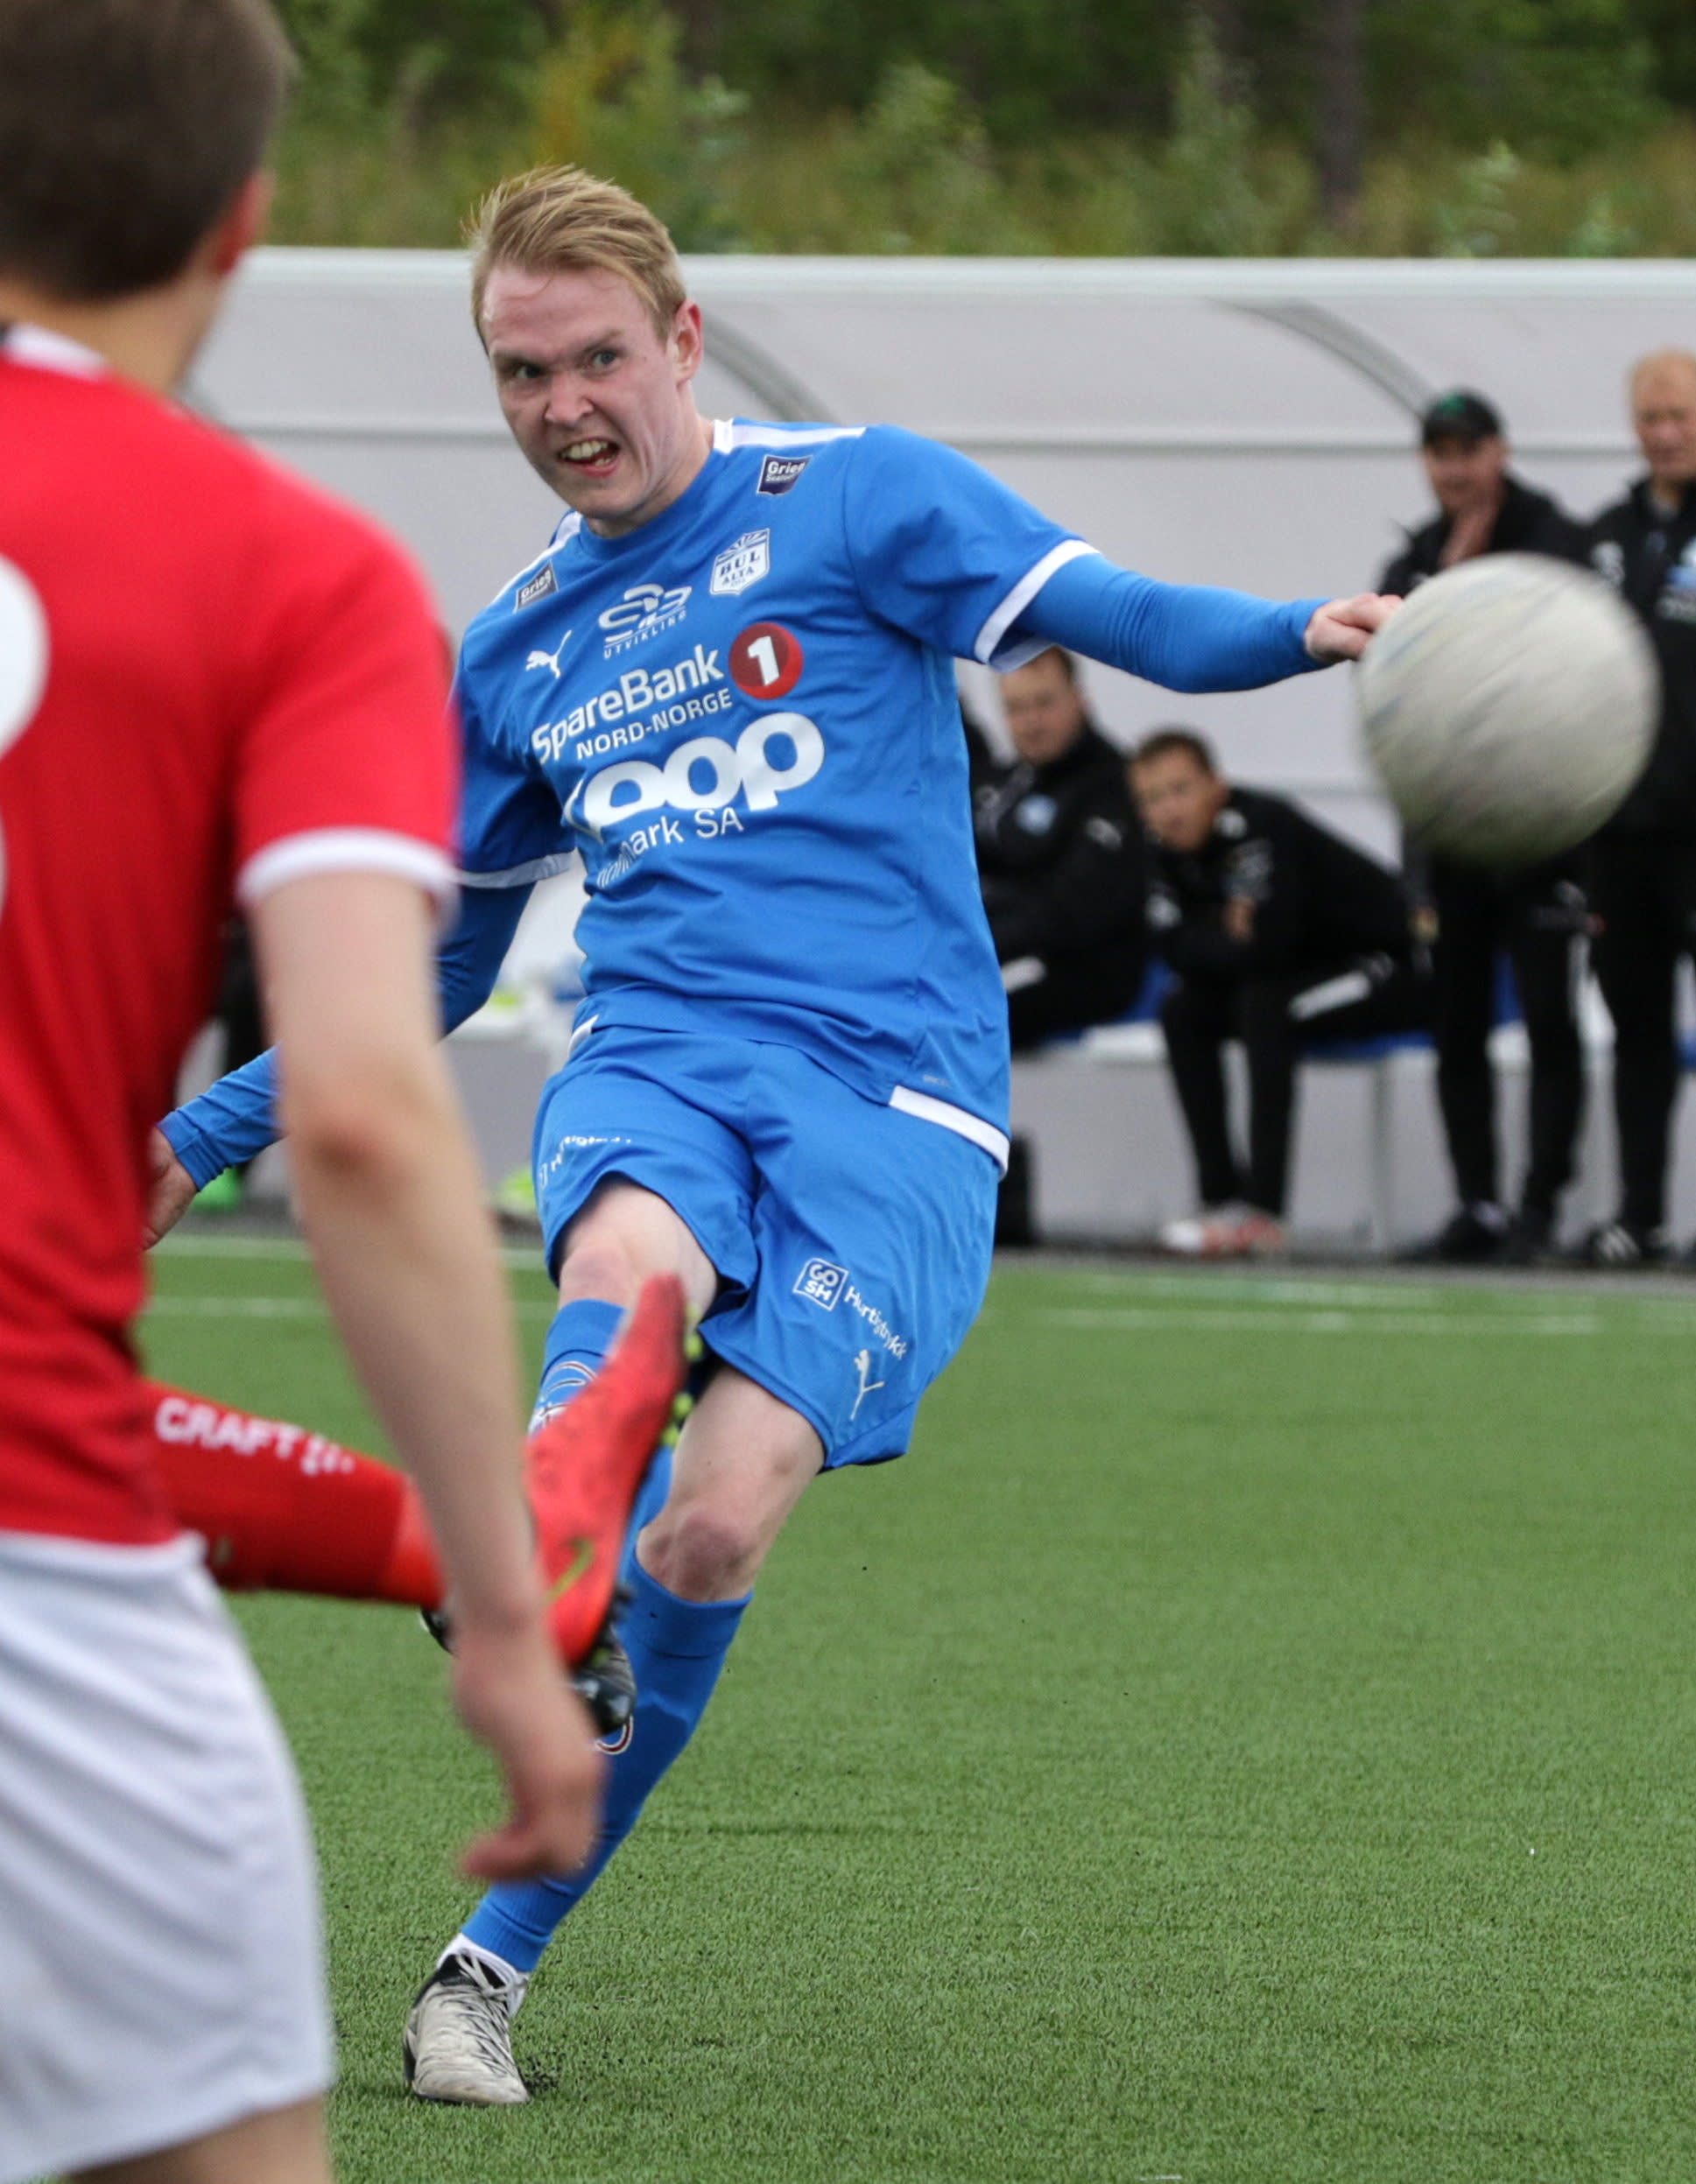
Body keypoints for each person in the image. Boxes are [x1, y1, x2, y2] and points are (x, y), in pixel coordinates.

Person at [144, 164, 1398, 2105]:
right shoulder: (516, 646)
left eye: (595, 358)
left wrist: (1302, 629)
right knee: (630, 1261)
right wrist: (208, 1129)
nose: (563, 404)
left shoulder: (858, 496)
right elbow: (442, 955)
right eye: (519, 372)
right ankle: (533, 1555)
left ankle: (484, 1962)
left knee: (715, 1528)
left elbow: (1117, 611)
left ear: (682, 339)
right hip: (657, 1051)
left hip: (899, 1104)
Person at [0, 16, 650, 2182]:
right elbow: (367, 1111)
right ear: (242, 221)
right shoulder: (290, 572)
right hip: (48, 1607)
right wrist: (505, 1605)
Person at [1380, 390, 1593, 1265]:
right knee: (1456, 1022)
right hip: (1451, 830)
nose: (1454, 469)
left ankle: (1538, 1205)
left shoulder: (1554, 539)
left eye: (1467, 451)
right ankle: (1477, 1203)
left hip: (1543, 830)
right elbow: (1386, 683)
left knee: (1547, 1019)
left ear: (1498, 452)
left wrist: (1461, 592)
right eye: (1440, 453)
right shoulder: (1412, 557)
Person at [1131, 729, 1427, 1257]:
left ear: (1216, 786)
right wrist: (1225, 933)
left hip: (1390, 967)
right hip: (1297, 972)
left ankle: (1264, 1212)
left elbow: (1267, 946)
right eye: (1153, 798)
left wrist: (1209, 937)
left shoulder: (1262, 826)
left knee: (1266, 1008)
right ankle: (1220, 1198)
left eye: (1180, 790)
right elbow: (1171, 949)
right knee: (1182, 1011)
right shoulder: (1155, 852)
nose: (1169, 810)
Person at [1579, 349, 1696, 1266]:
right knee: (1636, 1034)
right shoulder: (1604, 538)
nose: (1664, 433)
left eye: (1680, 415)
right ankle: (1638, 1214)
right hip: (1620, 835)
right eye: (1650, 417)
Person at [974, 645, 1147, 1050]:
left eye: (1044, 703)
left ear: (1079, 700)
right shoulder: (1009, 780)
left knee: (961, 1015)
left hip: (1084, 970)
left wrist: (969, 945)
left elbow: (1069, 912)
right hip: (1012, 951)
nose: (1031, 722)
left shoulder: (1116, 786)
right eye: (1016, 708)